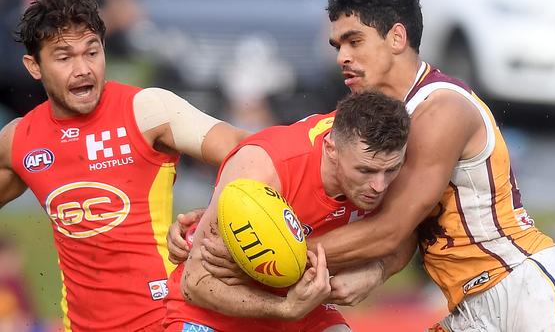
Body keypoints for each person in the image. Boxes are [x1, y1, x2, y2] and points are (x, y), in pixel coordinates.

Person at [310, 0, 555, 331]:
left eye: (354, 41)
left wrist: (280, 253)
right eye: (338, 45)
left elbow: (391, 228)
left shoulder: (440, 109)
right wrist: (376, 272)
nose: (342, 57)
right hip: (473, 308)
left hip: (525, 292)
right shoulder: (389, 117)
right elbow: (408, 232)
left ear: (397, 38)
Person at [0, 0, 247, 332]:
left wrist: (215, 213)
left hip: (169, 320)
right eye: (64, 56)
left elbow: (248, 150)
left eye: (92, 52)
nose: (83, 68)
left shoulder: (147, 110)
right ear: (34, 66)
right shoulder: (19, 140)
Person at [163, 91, 413, 331]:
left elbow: (410, 231)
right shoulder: (263, 167)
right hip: (216, 314)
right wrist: (285, 308)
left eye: (391, 170)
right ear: (331, 149)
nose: (379, 186)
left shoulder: (395, 155)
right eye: (365, 171)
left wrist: (377, 272)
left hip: (304, 308)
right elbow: (194, 284)